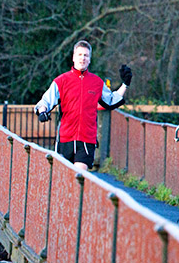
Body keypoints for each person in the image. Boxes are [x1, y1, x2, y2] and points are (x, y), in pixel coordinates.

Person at [34, 40, 131, 170]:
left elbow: (111, 100)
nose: (82, 58)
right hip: (65, 139)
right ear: (73, 58)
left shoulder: (96, 82)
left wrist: (125, 84)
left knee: (78, 177)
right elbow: (45, 101)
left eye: (86, 55)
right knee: (64, 180)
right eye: (79, 55)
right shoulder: (61, 81)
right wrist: (42, 112)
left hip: (86, 140)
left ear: (89, 59)